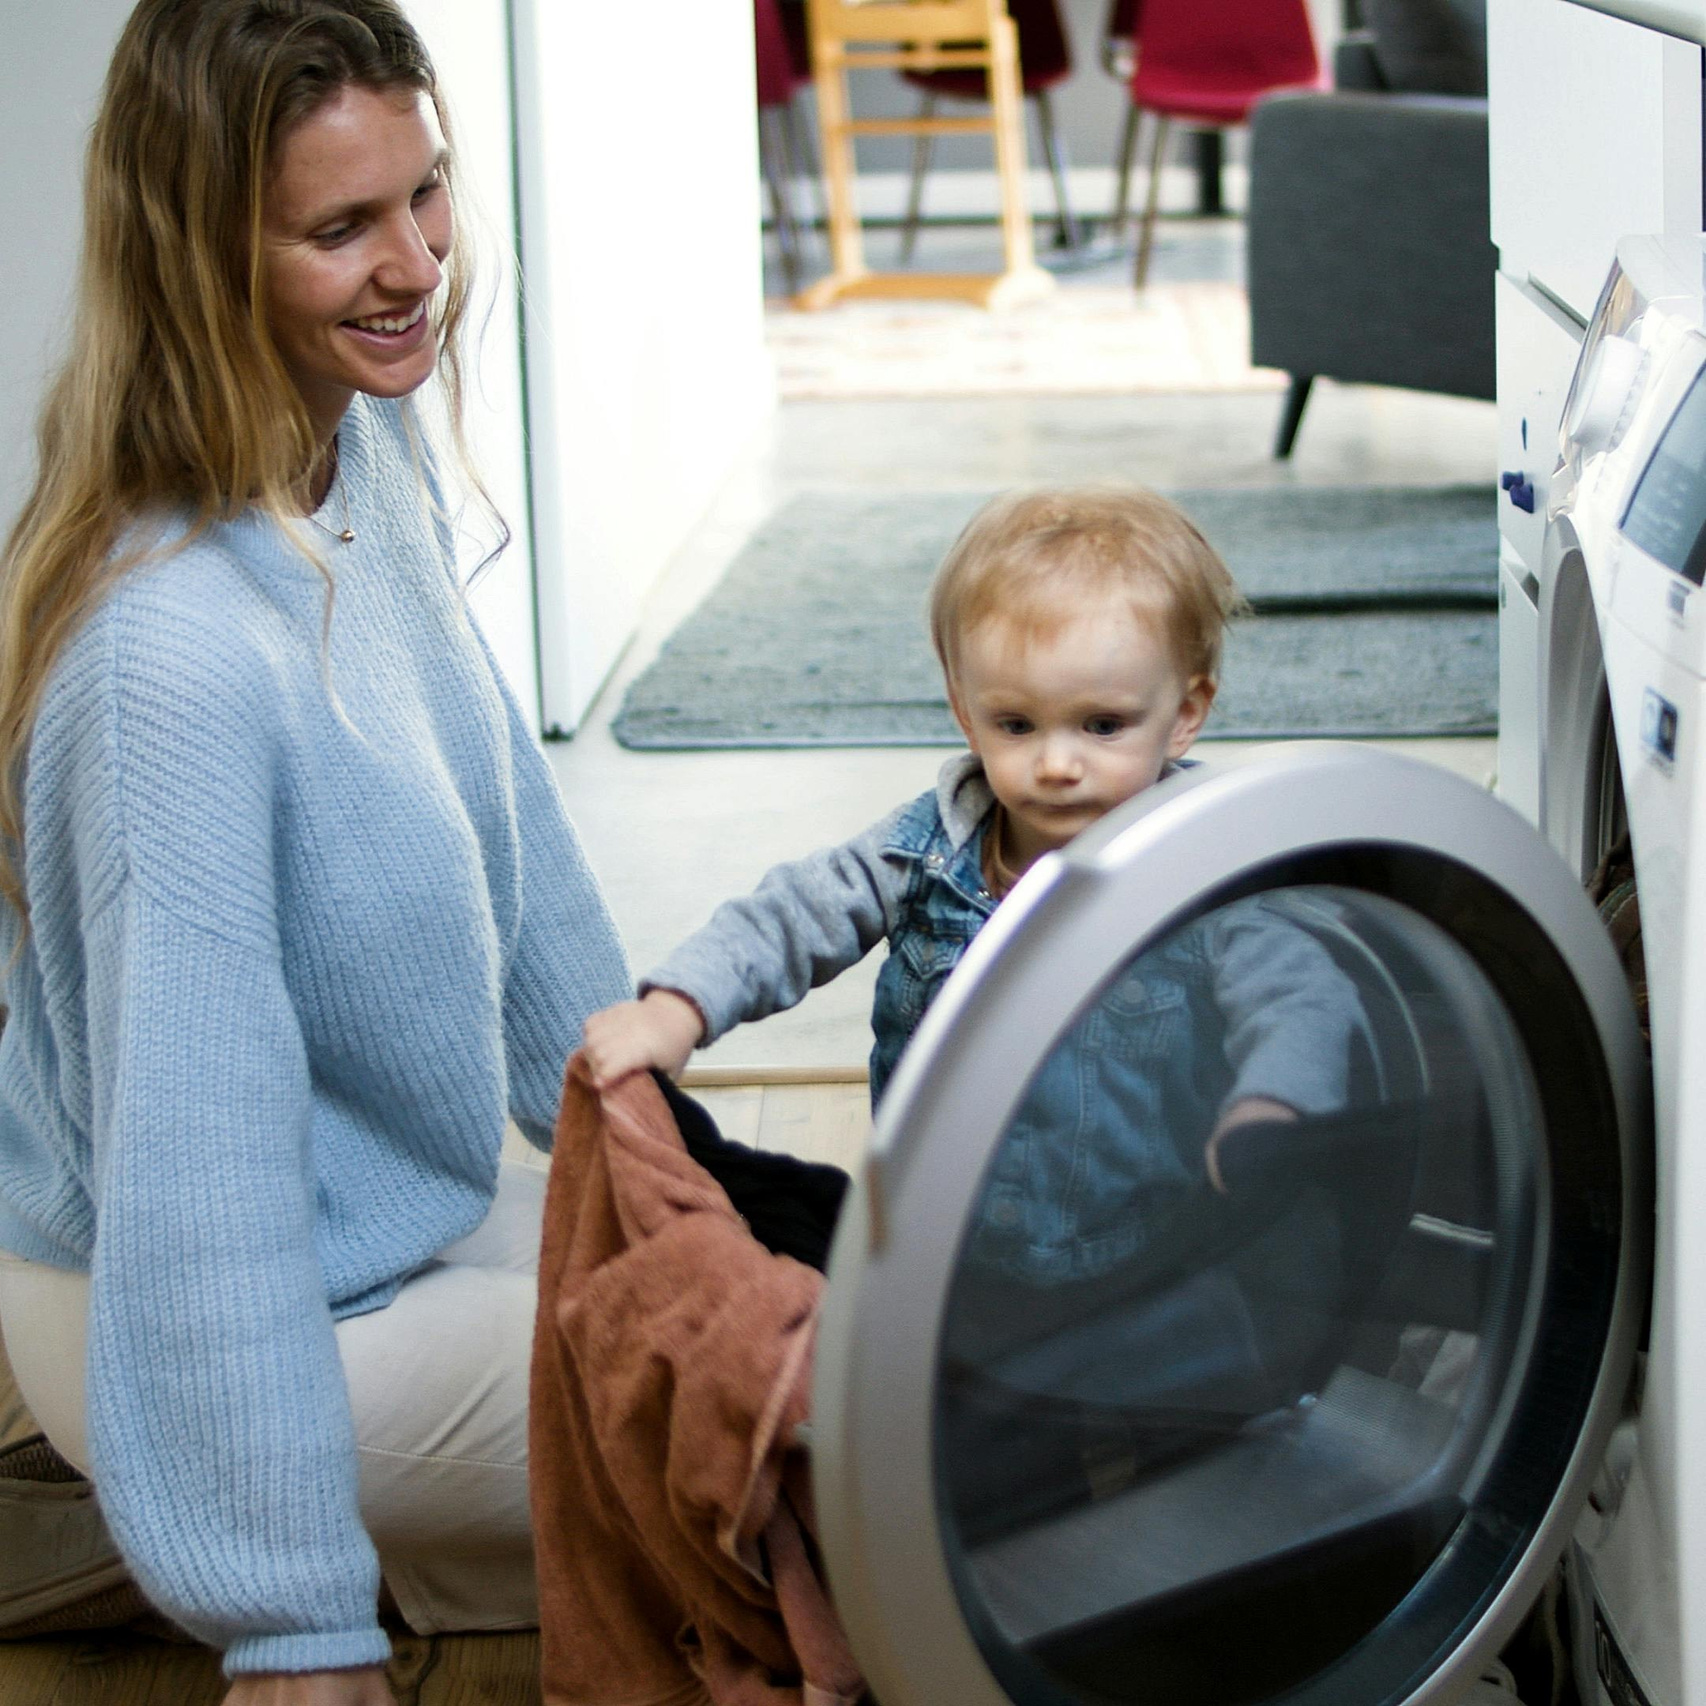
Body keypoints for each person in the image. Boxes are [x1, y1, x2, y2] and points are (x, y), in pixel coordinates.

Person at [0, 3, 631, 1701]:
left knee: (851, 1272)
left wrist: (644, 1136)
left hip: (378, 1226)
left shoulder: (361, 449)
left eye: (425, 196)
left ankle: (327, 1534)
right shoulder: (169, 659)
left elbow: (514, 823)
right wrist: (290, 1623)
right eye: (342, 228)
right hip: (209, 1298)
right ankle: (207, 1515)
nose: (416, 264)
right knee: (833, 1387)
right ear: (203, 255)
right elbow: (196, 1191)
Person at [582, 486, 1354, 1186]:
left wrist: (1273, 1109)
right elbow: (791, 916)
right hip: (938, 1239)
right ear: (965, 710)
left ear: (1185, 714)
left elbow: (1301, 992)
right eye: (1015, 724)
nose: (1056, 764)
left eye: (1103, 725)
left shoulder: (1210, 864)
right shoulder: (927, 850)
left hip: (1153, 1249)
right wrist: (678, 1007)